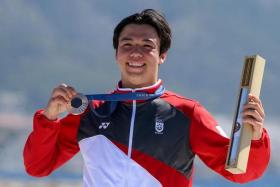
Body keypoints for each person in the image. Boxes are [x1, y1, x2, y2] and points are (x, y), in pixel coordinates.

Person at [23, 9, 270, 187]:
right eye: (127, 44)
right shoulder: (90, 111)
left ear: (162, 55)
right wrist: (49, 118)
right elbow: (38, 167)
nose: (135, 53)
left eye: (146, 46)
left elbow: (243, 174)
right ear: (116, 52)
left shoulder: (187, 113)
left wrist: (256, 136)